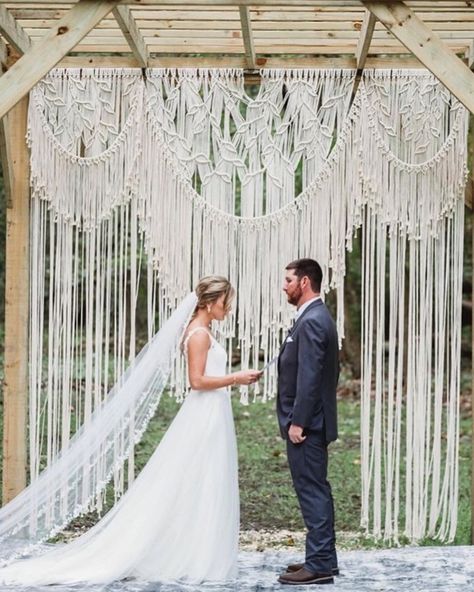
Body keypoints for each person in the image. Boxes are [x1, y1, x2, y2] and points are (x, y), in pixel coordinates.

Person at [0, 276, 261, 586]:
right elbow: (197, 381)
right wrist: (236, 378)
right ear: (209, 302)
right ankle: (193, 555)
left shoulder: (201, 330)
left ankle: (196, 550)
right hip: (204, 414)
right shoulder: (199, 334)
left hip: (212, 413)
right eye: (225, 302)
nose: (228, 308)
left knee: (202, 482)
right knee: (200, 480)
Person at [276, 258, 339, 586]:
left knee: (312, 491)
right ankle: (323, 558)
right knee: (317, 489)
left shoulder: (313, 320)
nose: (284, 285)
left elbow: (311, 377)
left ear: (304, 283)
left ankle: (318, 566)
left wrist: (298, 422)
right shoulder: (314, 316)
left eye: (288, 280)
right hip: (312, 422)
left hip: (308, 426)